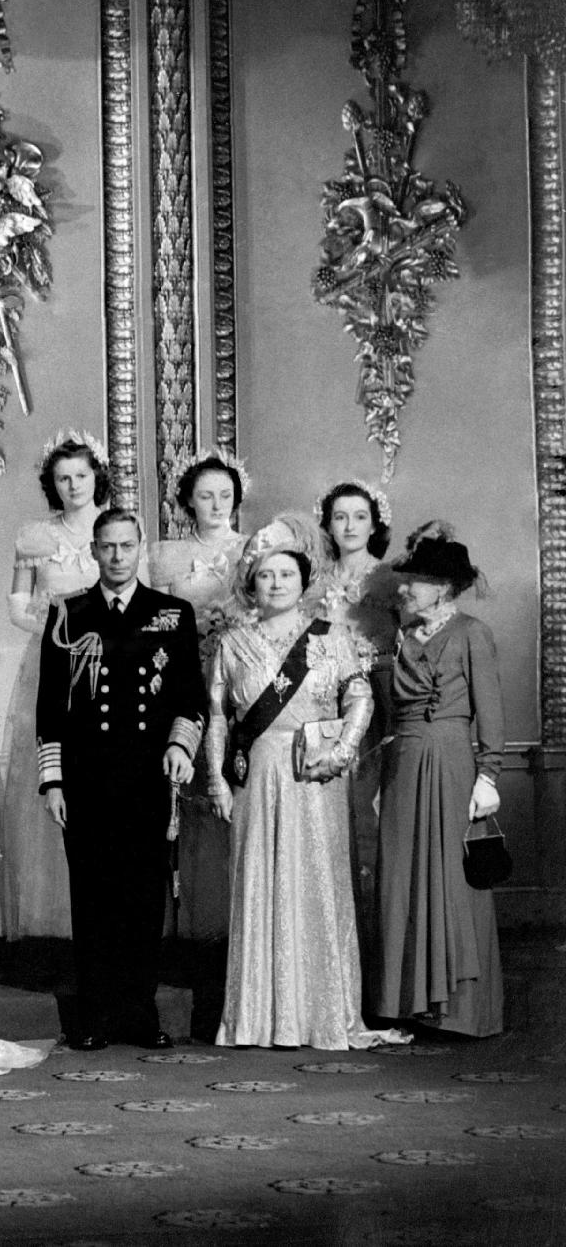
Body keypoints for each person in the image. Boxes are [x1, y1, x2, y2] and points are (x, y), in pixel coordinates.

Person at [203, 516, 404, 1049]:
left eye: (285, 574)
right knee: (259, 883)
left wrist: (340, 753)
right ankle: (259, 1018)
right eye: (265, 576)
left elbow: (358, 699)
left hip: (315, 775)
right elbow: (219, 716)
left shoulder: (333, 637)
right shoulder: (232, 644)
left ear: (302, 579)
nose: (276, 584)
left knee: (316, 882)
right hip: (257, 775)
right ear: (251, 584)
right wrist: (218, 782)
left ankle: (320, 1015)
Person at [36, 507, 201, 1050]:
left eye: (126, 546)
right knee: (92, 897)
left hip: (146, 778)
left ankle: (138, 1011)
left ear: (141, 548)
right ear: (93, 550)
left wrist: (180, 744)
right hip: (86, 780)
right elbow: (50, 707)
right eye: (107, 547)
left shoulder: (172, 613)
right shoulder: (67, 614)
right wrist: (53, 781)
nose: (117, 556)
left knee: (142, 899)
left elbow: (189, 696)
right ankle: (94, 1015)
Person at [373, 524, 505, 1038]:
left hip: (452, 764)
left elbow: (488, 710)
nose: (405, 588)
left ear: (444, 587)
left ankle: (459, 1011)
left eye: (417, 581)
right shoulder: (401, 636)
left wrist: (489, 772)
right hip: (403, 765)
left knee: (452, 878)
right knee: (402, 878)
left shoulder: (472, 633)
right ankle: (406, 1005)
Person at [0, 430, 123, 940]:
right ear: (52, 485)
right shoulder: (34, 537)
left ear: (97, 477)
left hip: (112, 662)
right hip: (51, 662)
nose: (73, 485)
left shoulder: (118, 530)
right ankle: (51, 909)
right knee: (51, 772)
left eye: (81, 476)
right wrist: (57, 636)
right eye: (63, 478)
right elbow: (16, 604)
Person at [150, 449, 252, 943]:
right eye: (206, 495)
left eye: (225, 496)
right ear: (188, 500)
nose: (217, 504)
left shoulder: (255, 548)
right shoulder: (166, 553)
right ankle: (190, 918)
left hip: (241, 682)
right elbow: (154, 622)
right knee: (185, 791)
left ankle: (244, 916)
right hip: (184, 678)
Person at [313, 479, 399, 976]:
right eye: (340, 516)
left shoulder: (389, 580)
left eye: (359, 516)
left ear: (374, 523)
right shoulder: (313, 579)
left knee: (373, 822)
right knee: (333, 824)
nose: (348, 526)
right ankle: (334, 959)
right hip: (329, 709)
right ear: (327, 523)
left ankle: (379, 965)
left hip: (381, 708)